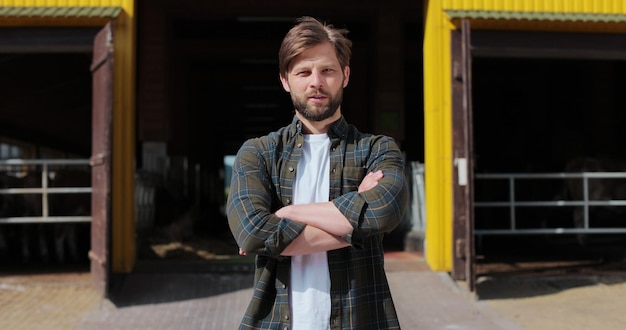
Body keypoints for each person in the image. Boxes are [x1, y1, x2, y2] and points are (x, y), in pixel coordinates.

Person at [227, 16, 409, 330]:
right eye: (303, 72)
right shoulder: (259, 152)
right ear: (285, 80)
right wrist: (357, 221)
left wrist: (288, 212)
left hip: (359, 320)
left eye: (327, 70)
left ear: (345, 75)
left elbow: (385, 212)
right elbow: (253, 233)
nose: (316, 82)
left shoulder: (377, 149)